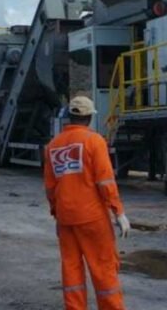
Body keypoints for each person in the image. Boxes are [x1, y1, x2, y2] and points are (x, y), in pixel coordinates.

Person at [44, 96, 131, 310]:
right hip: (92, 218)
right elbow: (105, 180)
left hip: (66, 219)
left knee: (71, 269)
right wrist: (118, 212)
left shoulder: (53, 146)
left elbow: (50, 187)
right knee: (103, 269)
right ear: (89, 118)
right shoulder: (94, 141)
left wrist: (57, 214)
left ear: (70, 116)